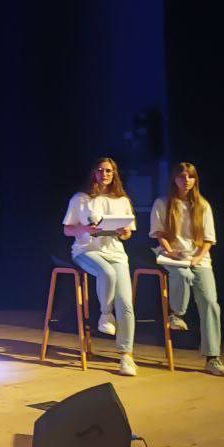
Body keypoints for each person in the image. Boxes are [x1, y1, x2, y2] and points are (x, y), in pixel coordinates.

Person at [149, 163, 224, 377]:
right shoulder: (163, 203)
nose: (186, 181)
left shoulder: (202, 205)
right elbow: (159, 234)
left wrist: (198, 258)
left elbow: (208, 239)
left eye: (190, 177)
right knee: (182, 274)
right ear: (174, 179)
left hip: (199, 259)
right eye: (182, 176)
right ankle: (176, 314)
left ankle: (212, 357)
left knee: (210, 303)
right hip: (172, 255)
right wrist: (170, 252)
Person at [62, 157, 138, 376]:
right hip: (86, 251)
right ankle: (105, 314)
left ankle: (126, 356)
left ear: (114, 174)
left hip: (116, 253)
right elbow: (67, 229)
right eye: (101, 170)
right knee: (107, 272)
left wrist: (124, 232)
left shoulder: (122, 200)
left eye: (109, 171)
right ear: (94, 173)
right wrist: (86, 229)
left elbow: (128, 233)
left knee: (126, 303)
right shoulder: (81, 199)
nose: (105, 174)